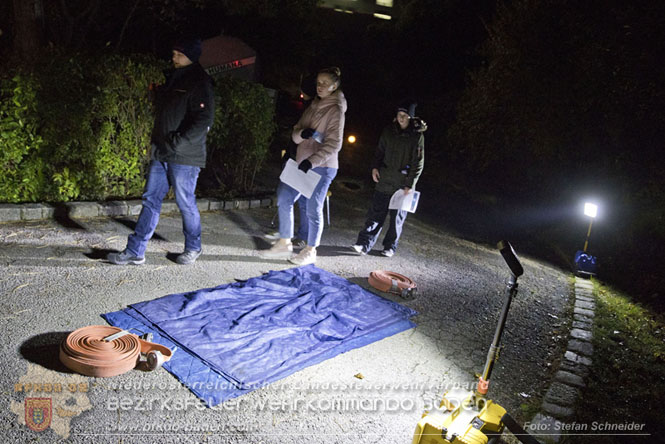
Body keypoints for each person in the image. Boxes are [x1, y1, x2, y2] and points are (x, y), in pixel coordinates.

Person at [108, 38, 215, 266]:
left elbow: (204, 119)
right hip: (162, 151)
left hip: (184, 156)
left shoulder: (199, 81)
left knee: (185, 202)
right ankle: (136, 251)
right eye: (174, 52)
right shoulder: (173, 77)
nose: (173, 56)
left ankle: (194, 247)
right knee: (150, 200)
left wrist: (179, 141)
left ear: (191, 56)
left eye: (178, 53)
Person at [259, 67, 347, 265]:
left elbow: (334, 144)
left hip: (323, 167)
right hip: (301, 163)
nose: (320, 86)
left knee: (312, 207)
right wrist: (302, 134)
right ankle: (284, 242)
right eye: (318, 82)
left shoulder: (336, 110)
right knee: (284, 196)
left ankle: (310, 250)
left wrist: (313, 161)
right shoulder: (313, 105)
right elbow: (295, 132)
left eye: (325, 83)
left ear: (334, 86)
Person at [351, 100, 426, 257]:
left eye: (405, 116)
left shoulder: (417, 137)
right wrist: (374, 167)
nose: (401, 118)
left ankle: (390, 247)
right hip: (384, 180)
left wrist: (410, 184)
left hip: (402, 185)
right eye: (399, 115)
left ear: (411, 117)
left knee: (396, 219)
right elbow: (379, 151)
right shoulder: (388, 131)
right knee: (375, 215)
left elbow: (418, 163)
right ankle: (363, 244)